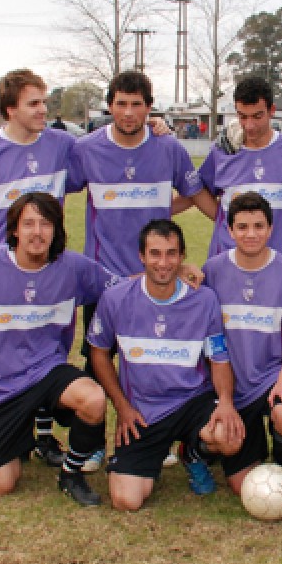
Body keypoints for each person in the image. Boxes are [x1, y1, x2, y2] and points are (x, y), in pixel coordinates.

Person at [68, 70, 215, 472]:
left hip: (157, 277)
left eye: (137, 104)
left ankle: (160, 436)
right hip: (103, 281)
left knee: (156, 362)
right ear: (110, 106)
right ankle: (92, 443)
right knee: (97, 359)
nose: (129, 112)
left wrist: (233, 228)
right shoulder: (86, 150)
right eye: (121, 104)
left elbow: (194, 194)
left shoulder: (168, 148)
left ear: (150, 108)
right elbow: (56, 187)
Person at [0, 192, 118, 506]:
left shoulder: (73, 267)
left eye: (46, 223)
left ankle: (71, 474)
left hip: (47, 371)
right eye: (28, 224)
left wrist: (172, 275)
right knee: (1, 484)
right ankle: (16, 438)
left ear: (56, 229)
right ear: (14, 229)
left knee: (93, 399)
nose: (37, 232)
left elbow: (125, 289)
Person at [0, 68, 76, 472]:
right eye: (34, 103)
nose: (43, 110)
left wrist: (157, 127)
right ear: (11, 110)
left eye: (44, 102)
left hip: (47, 268)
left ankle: (43, 433)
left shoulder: (61, 145)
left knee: (48, 343)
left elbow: (106, 149)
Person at [87, 219, 245, 511]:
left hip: (192, 401)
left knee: (229, 438)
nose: (163, 262)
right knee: (126, 500)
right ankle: (153, 455)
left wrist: (225, 402)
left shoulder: (204, 299)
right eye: (155, 253)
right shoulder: (115, 299)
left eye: (171, 253)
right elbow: (99, 353)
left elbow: (218, 357)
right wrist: (122, 406)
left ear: (182, 256)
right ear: (141, 256)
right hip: (143, 411)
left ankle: (192, 453)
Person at [202, 192, 282, 506]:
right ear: (230, 230)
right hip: (231, 385)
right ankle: (201, 450)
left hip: (271, 377)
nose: (251, 234)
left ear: (270, 229)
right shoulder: (214, 270)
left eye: (259, 226)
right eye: (243, 226)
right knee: (241, 485)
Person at [195, 76, 282, 262]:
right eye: (242, 116)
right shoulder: (222, 151)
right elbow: (196, 191)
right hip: (227, 265)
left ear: (272, 111)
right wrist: (226, 220)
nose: (249, 125)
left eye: (257, 116)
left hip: (279, 266)